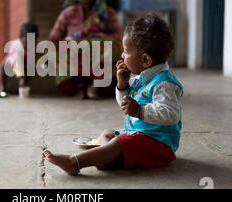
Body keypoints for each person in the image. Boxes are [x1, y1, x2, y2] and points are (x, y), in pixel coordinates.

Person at [42, 14, 183, 176]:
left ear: (145, 60)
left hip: (159, 146)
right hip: (139, 136)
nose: (122, 56)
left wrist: (140, 111)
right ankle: (106, 159)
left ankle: (75, 162)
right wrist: (122, 85)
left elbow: (171, 115)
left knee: (119, 142)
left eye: (126, 51)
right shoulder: (143, 77)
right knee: (107, 133)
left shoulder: (164, 83)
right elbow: (125, 104)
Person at [49, 0, 123, 99]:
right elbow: (54, 38)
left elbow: (120, 36)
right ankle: (80, 87)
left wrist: (98, 36)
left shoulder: (108, 13)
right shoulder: (68, 13)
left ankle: (95, 86)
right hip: (75, 55)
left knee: (114, 45)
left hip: (100, 57)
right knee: (53, 49)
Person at [0, 22, 39, 98]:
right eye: (27, 41)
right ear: (21, 38)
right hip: (12, 63)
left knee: (30, 69)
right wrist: (22, 76)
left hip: (25, 64)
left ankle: (20, 89)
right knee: (3, 65)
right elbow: (15, 60)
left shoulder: (33, 46)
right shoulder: (16, 45)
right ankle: (3, 87)